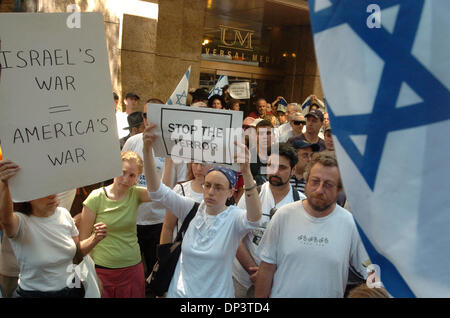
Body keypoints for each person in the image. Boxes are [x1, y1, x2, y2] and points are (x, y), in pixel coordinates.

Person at [143, 123, 262, 297]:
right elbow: (156, 192)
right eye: (207, 185)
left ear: (231, 192)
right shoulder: (190, 208)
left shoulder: (234, 218)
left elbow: (255, 219)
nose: (211, 192)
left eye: (219, 187)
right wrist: (147, 151)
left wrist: (246, 171)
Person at [254, 152, 369, 298]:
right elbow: (266, 269)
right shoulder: (283, 215)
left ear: (339, 189)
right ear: (306, 182)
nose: (320, 190)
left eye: (328, 185)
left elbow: (370, 271)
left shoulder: (349, 224)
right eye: (315, 181)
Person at [0, 160, 106, 298]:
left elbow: (77, 252)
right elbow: (6, 218)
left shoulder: (64, 214)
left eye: (53, 189)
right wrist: (5, 185)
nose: (52, 195)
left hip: (71, 291)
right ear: (28, 197)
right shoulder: (21, 223)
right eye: (44, 191)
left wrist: (94, 238)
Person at [122, 101, 187, 279]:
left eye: (155, 114)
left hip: (160, 222)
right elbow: (120, 174)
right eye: (145, 115)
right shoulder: (132, 142)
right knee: (132, 270)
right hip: (131, 220)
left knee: (155, 271)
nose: (148, 119)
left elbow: (181, 187)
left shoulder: (177, 149)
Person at [232, 143, 305, 297]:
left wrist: (266, 275)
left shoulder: (301, 203)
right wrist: (256, 272)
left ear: (293, 170)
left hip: (279, 282)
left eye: (282, 167)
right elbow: (236, 238)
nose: (275, 172)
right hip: (242, 280)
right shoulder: (252, 194)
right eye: (271, 165)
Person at [79, 151, 151, 298]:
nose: (125, 179)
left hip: (132, 269)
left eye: (132, 175)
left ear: (137, 178)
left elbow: (161, 193)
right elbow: (82, 242)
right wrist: (91, 275)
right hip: (101, 271)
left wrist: (167, 163)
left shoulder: (136, 194)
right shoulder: (96, 197)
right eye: (122, 172)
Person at [159, 159, 211, 244]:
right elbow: (168, 227)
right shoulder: (180, 189)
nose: (198, 168)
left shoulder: (219, 193)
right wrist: (164, 254)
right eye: (195, 163)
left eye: (203, 163)